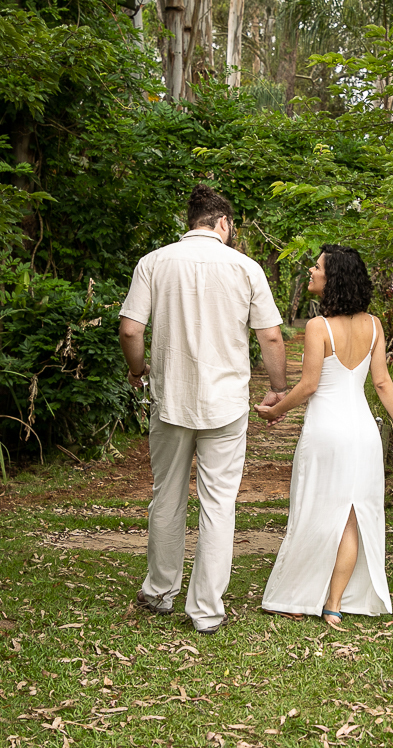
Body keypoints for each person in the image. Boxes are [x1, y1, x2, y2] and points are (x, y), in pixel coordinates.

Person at [119, 184, 288, 634]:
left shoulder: (154, 262)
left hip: (170, 397)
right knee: (219, 504)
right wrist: (277, 388)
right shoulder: (246, 267)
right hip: (226, 403)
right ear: (224, 224)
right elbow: (270, 336)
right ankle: (207, 611)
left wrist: (138, 372)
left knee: (167, 495)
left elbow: (131, 329)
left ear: (189, 221)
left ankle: (159, 590)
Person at [254, 245, 393, 626]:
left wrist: (275, 410)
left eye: (318, 266)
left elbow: (309, 386)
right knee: (352, 518)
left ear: (332, 278)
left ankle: (296, 598)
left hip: (327, 432)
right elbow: (382, 381)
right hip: (363, 434)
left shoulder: (318, 327)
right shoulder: (374, 325)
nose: (312, 269)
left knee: (313, 512)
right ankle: (334, 603)